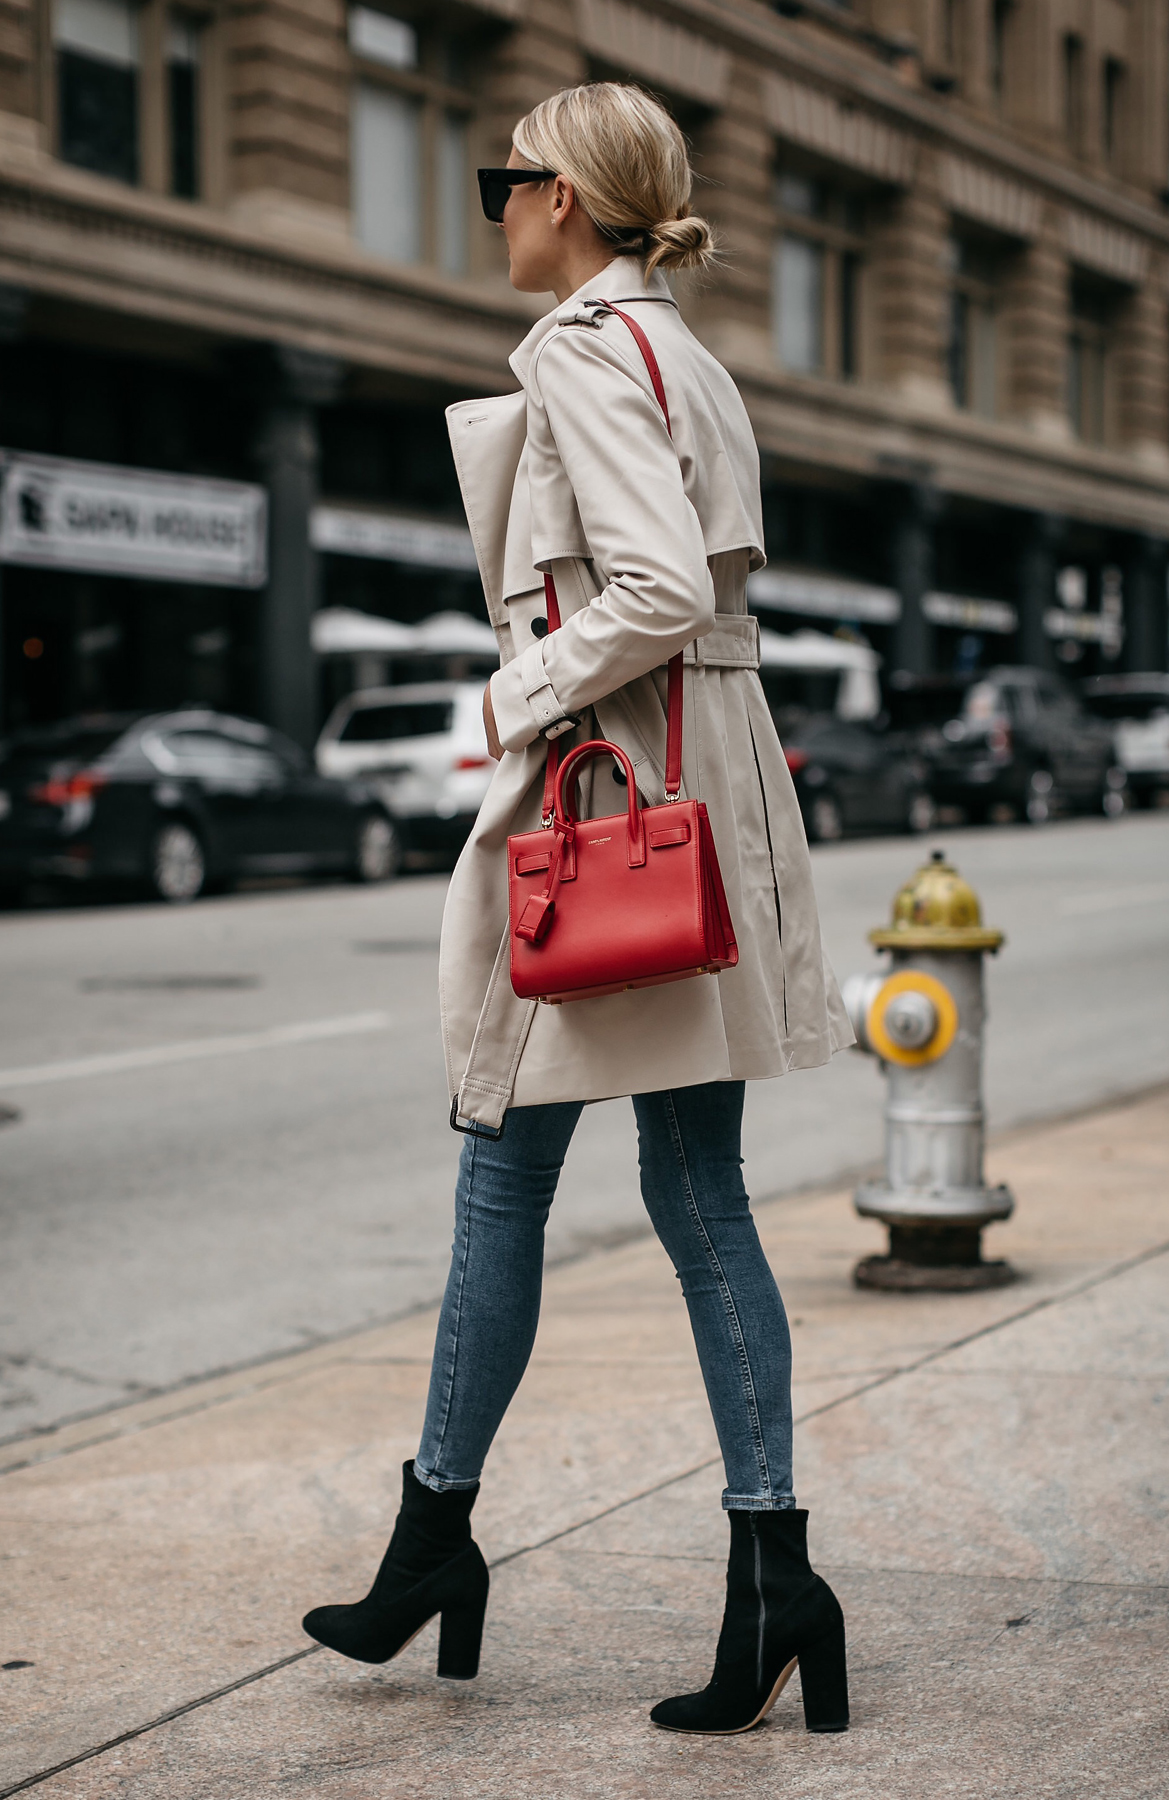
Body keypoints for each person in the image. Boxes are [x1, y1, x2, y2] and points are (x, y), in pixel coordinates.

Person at [303, 81, 854, 1737]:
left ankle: (436, 1543)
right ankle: (770, 1575)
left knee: (501, 1173)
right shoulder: (690, 356)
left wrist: (520, 695)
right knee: (695, 1196)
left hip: (612, 804)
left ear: (569, 200)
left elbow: (658, 590)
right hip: (695, 794)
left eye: (507, 180)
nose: (496, 208)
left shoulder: (578, 352)